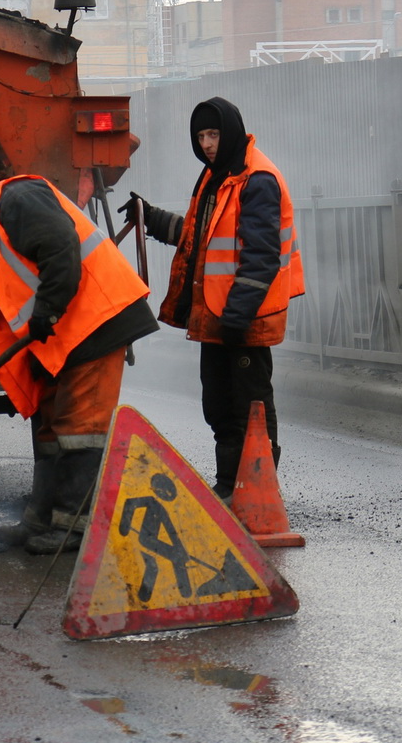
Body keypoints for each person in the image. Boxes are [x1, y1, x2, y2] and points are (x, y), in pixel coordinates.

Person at [0, 159, 158, 554]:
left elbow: (61, 248)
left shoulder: (15, 200)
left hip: (97, 324)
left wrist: (47, 312)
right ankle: (40, 520)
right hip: (65, 336)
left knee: (79, 429)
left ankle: (74, 530)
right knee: (48, 428)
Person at [120, 96, 304, 501]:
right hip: (219, 318)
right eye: (200, 135)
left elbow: (262, 258)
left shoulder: (257, 180)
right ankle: (229, 486)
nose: (206, 143)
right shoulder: (215, 178)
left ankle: (257, 489)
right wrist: (150, 217)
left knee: (249, 408)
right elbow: (199, 241)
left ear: (231, 132)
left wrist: (237, 316)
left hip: (244, 319)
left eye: (213, 134)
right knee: (220, 407)